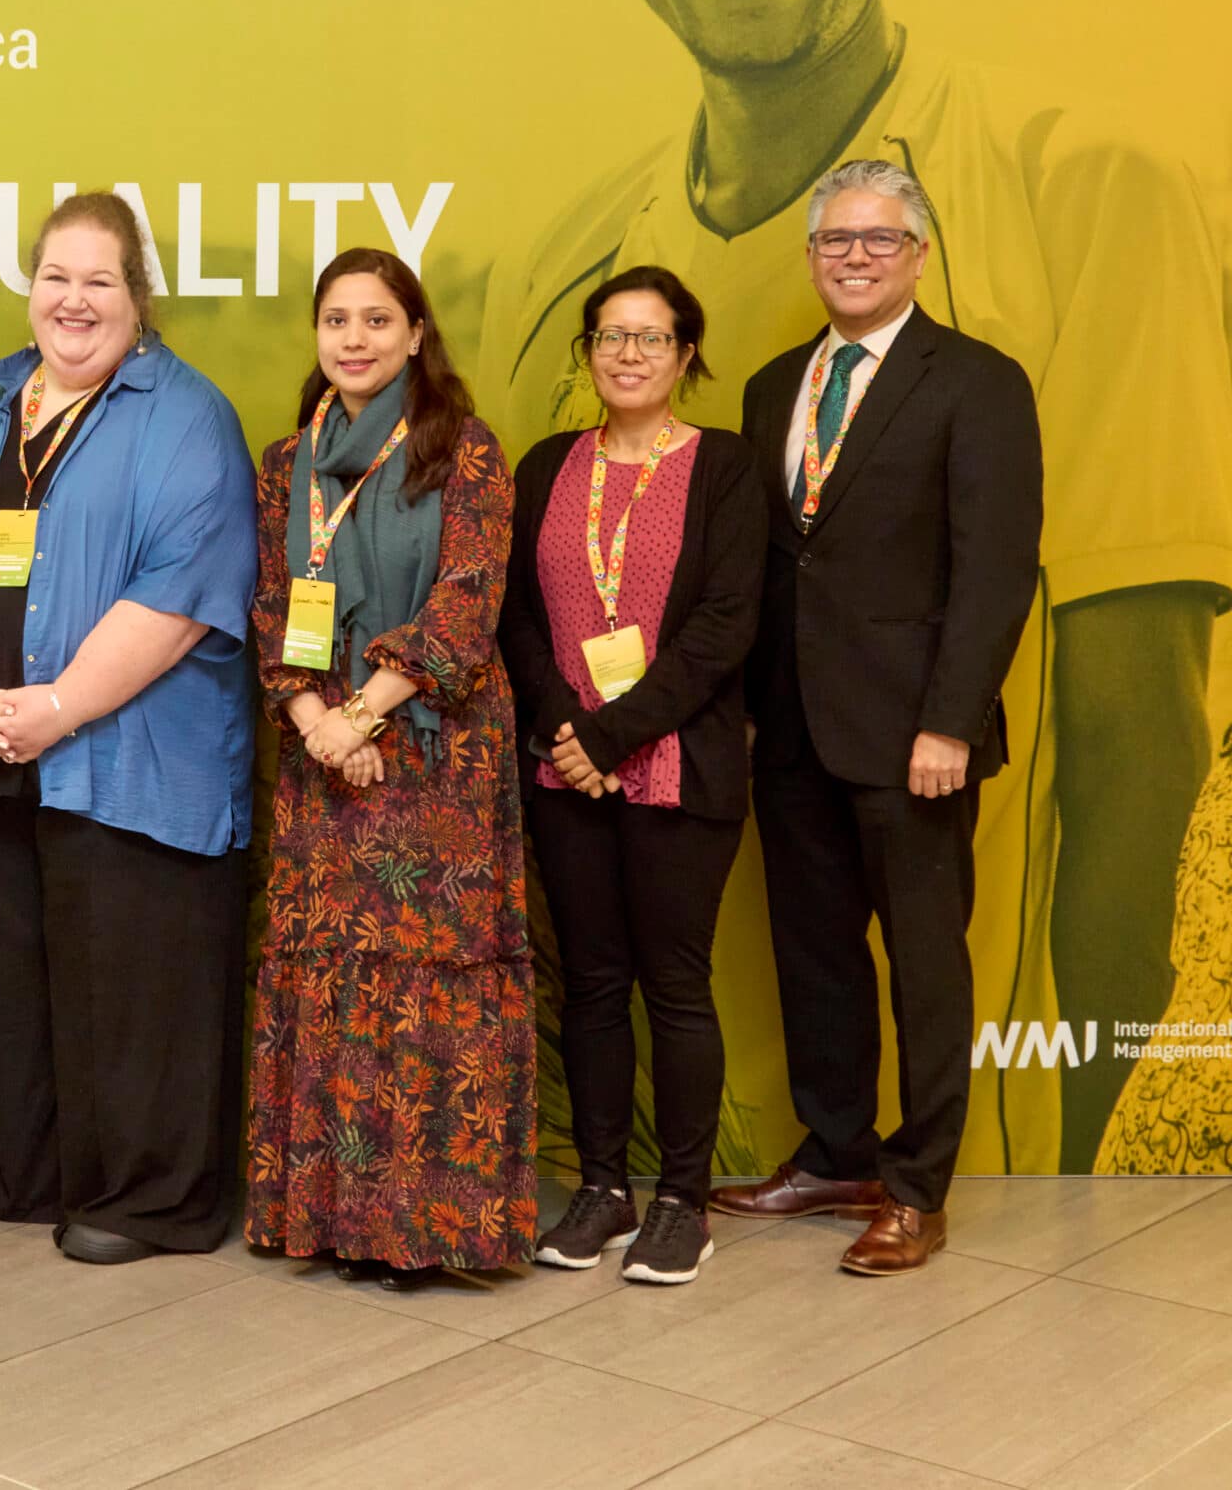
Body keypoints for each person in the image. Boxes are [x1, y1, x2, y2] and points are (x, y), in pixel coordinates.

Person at [481, 0, 1232, 1176]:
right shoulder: (568, 272)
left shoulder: (1089, 191)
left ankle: (923, 1165)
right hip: (708, 951)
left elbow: (1139, 738)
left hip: (937, 857)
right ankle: (814, 1153)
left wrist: (1064, 1177)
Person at [0, 191, 256, 1264]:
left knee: (128, 977)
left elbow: (186, 586)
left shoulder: (186, 415)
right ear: (29, 287)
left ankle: (141, 1198)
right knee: (10, 964)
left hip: (124, 758)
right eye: (57, 277)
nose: (74, 301)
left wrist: (56, 707)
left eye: (100, 281)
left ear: (137, 297)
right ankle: (18, 1166)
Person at [710, 161, 1042, 1274]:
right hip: (792, 728)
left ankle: (916, 1185)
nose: (853, 256)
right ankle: (835, 1151)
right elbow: (766, 565)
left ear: (919, 254)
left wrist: (949, 722)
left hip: (914, 738)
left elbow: (993, 570)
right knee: (813, 956)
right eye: (833, 240)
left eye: (878, 239)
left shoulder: (978, 382)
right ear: (809, 256)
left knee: (924, 963)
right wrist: (750, 711)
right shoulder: (770, 387)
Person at [247, 248, 534, 1289]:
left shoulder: (464, 450)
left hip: (434, 762)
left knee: (422, 989)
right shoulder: (286, 462)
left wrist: (364, 712)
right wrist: (317, 720)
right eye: (336, 320)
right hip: (322, 756)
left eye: (377, 320)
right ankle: (330, 1220)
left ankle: (428, 1229)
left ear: (416, 334)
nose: (354, 339)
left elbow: (465, 604)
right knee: (333, 984)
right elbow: (274, 605)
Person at [499, 266, 765, 1285]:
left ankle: (680, 1203)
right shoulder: (547, 466)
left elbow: (724, 626)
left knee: (675, 986)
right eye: (610, 336)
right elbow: (521, 618)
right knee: (596, 986)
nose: (627, 355)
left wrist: (614, 736)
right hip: (566, 772)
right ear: (587, 350)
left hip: (678, 771)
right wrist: (569, 731)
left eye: (650, 338)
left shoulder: (724, 469)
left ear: (685, 355)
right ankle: (602, 1188)